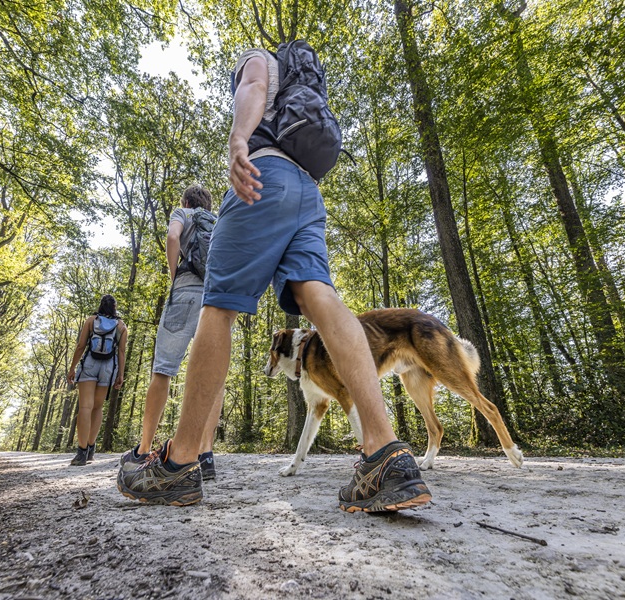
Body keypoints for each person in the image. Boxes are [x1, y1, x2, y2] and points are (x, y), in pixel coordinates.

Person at [118, 44, 432, 512]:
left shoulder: (262, 57)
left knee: (219, 306)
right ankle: (386, 454)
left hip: (264, 176)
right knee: (321, 298)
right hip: (308, 190)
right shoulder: (306, 83)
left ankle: (178, 465)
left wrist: (238, 140)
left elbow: (254, 84)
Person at [119, 185, 223, 480]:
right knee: (213, 375)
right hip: (214, 299)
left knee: (163, 370)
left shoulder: (184, 213)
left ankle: (143, 449)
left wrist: (174, 272)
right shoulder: (218, 222)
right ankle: (205, 453)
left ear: (187, 201)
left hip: (185, 292)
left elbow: (172, 236)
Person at [67, 294, 127, 466]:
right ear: (115, 307)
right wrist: (120, 375)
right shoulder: (121, 326)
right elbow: (121, 352)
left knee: (85, 406)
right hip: (108, 367)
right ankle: (91, 449)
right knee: (98, 407)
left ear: (101, 306)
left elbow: (81, 346)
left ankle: (81, 453)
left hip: (90, 364)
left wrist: (72, 368)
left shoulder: (91, 320)